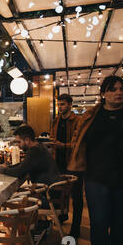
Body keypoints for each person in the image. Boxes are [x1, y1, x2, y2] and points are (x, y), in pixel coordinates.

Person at [68, 76, 123, 245]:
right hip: (96, 179)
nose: (119, 92)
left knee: (120, 225)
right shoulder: (88, 117)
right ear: (103, 93)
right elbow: (78, 143)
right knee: (99, 224)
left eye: (122, 89)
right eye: (113, 89)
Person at [50, 93, 83, 237]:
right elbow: (52, 138)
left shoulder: (78, 121)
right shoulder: (56, 121)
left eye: (62, 104)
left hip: (74, 163)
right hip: (58, 162)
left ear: (70, 104)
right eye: (58, 104)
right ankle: (62, 218)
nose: (60, 107)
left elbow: (79, 143)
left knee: (76, 196)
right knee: (58, 192)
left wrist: (63, 145)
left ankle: (76, 227)